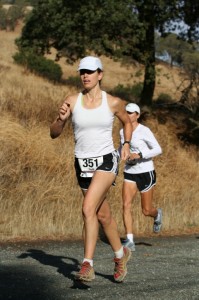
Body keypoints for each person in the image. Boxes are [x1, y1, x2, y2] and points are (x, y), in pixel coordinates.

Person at [50, 56, 133, 282]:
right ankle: (120, 255)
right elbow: (54, 133)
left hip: (107, 160)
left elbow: (127, 122)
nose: (85, 75)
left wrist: (126, 144)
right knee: (102, 214)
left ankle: (87, 264)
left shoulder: (112, 102)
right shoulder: (72, 100)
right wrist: (60, 119)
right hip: (82, 163)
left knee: (87, 208)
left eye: (89, 71)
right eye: (81, 72)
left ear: (100, 74)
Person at [120, 103, 162, 252]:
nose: (128, 115)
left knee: (146, 210)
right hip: (130, 171)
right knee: (126, 204)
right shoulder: (122, 131)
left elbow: (158, 149)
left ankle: (157, 215)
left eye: (131, 113)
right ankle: (129, 240)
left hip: (145, 172)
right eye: (126, 112)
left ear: (137, 115)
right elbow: (122, 149)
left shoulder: (144, 131)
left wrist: (140, 155)